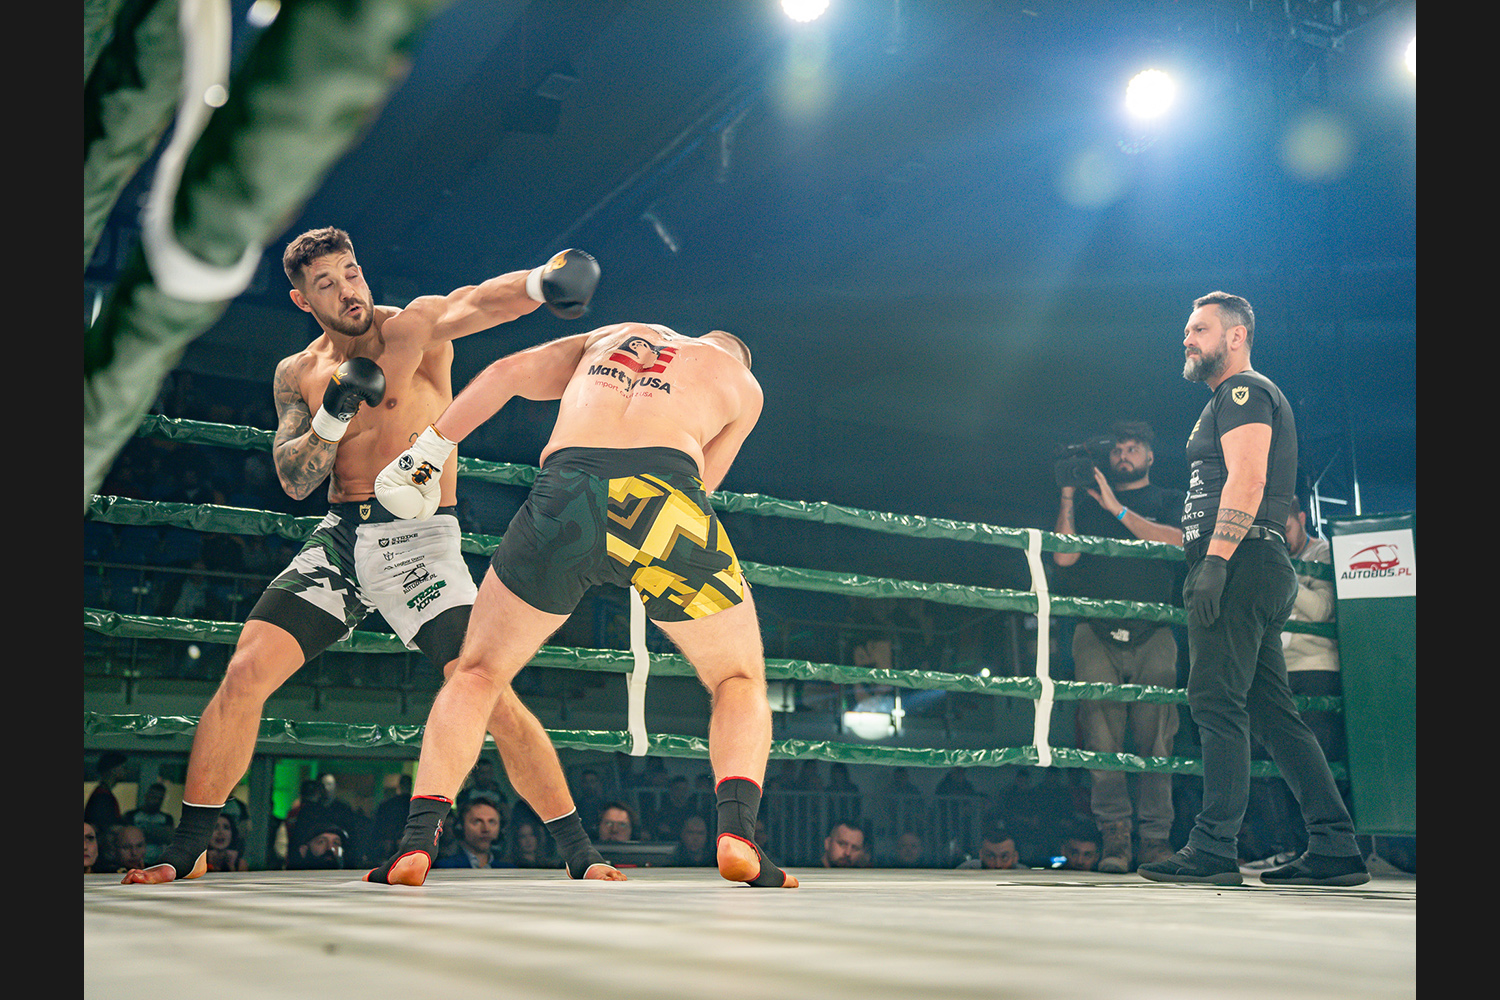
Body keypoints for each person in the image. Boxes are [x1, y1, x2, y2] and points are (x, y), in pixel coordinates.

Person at [122, 227, 603, 885]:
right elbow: (295, 479)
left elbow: (477, 303)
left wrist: (539, 283)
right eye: (326, 283)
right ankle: (190, 848)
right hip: (342, 537)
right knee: (246, 669)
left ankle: (580, 851)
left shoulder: (411, 330)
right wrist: (334, 412)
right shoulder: (297, 372)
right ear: (302, 300)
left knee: (483, 687)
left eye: (350, 272)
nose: (347, 289)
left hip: (420, 541)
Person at [366, 322, 795, 889]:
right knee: (737, 678)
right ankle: (738, 836)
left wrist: (428, 451)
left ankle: (417, 843)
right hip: (665, 501)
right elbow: (703, 485)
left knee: (477, 674)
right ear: (736, 356)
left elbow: (506, 373)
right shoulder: (740, 381)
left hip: (565, 492)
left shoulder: (614, 335)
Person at [1138, 291, 1368, 887]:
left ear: (1235, 336)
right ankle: (1335, 844)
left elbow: (1248, 477)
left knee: (1215, 700)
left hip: (1239, 561)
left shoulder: (1243, 391)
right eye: (1187, 329)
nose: (1187, 339)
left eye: (1199, 329)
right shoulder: (1226, 399)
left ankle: (1214, 847)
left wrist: (1215, 561)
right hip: (1253, 562)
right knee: (1272, 712)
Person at [1052, 420, 1185, 874]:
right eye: (1118, 449)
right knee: (1100, 738)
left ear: (1150, 456)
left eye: (1133, 448)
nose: (1124, 455)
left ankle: (1155, 840)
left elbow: (1179, 541)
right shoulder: (1086, 504)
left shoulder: (1168, 499)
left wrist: (1118, 509)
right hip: (1096, 629)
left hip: (1154, 629)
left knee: (1157, 738)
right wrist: (1068, 496)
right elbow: (1064, 556)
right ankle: (1115, 838)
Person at [435, 792, 510, 869]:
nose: (486, 829)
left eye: (491, 822)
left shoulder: (509, 869)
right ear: (460, 826)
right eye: (477, 822)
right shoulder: (443, 867)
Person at [121, 781, 176, 867]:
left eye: (159, 798)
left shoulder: (167, 819)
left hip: (158, 862)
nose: (156, 801)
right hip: (135, 860)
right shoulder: (131, 816)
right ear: (146, 796)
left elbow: (170, 840)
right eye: (153, 797)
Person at [957, 826, 1024, 870]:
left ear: (1015, 857)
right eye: (991, 857)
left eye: (1004, 857)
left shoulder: (1025, 875)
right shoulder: (965, 872)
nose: (998, 865)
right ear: (981, 855)